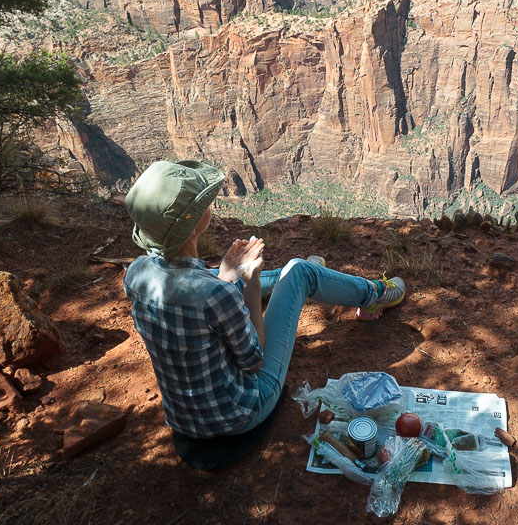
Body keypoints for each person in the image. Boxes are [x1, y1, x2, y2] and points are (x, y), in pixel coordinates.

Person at [122, 159, 406, 451]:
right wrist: (251, 282)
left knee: (215, 276)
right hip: (244, 413)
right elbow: (253, 359)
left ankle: (295, 282)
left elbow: (192, 307)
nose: (209, 205)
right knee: (299, 270)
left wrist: (225, 276)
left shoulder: (136, 274)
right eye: (202, 204)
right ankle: (373, 294)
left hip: (185, 421)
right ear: (192, 224)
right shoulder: (215, 295)